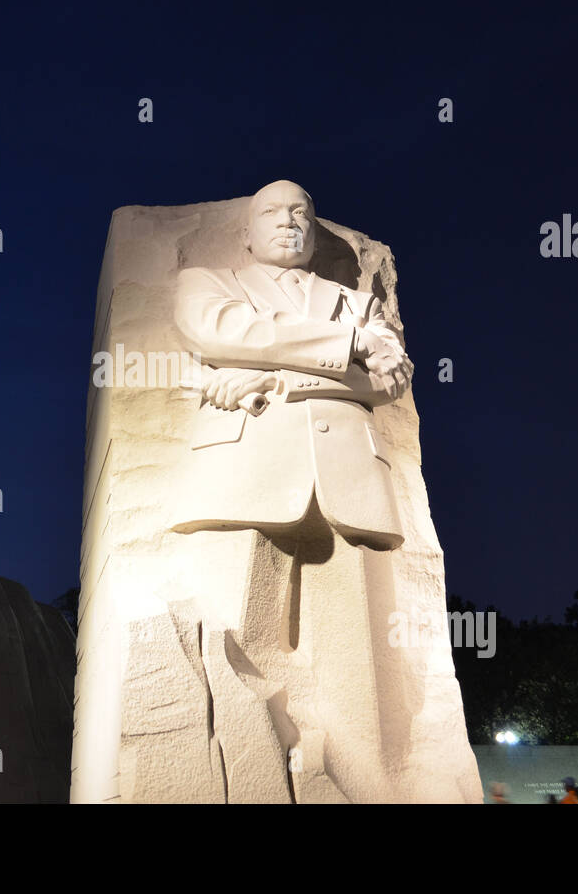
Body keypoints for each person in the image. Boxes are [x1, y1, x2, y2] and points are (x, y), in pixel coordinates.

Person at [169, 180, 415, 803]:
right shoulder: (207, 282)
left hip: (347, 481)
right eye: (273, 213)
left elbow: (393, 382)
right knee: (234, 645)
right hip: (246, 470)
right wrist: (347, 349)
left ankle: (366, 786)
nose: (290, 221)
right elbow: (219, 330)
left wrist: (270, 375)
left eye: (301, 212)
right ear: (246, 232)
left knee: (354, 663)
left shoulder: (353, 302)